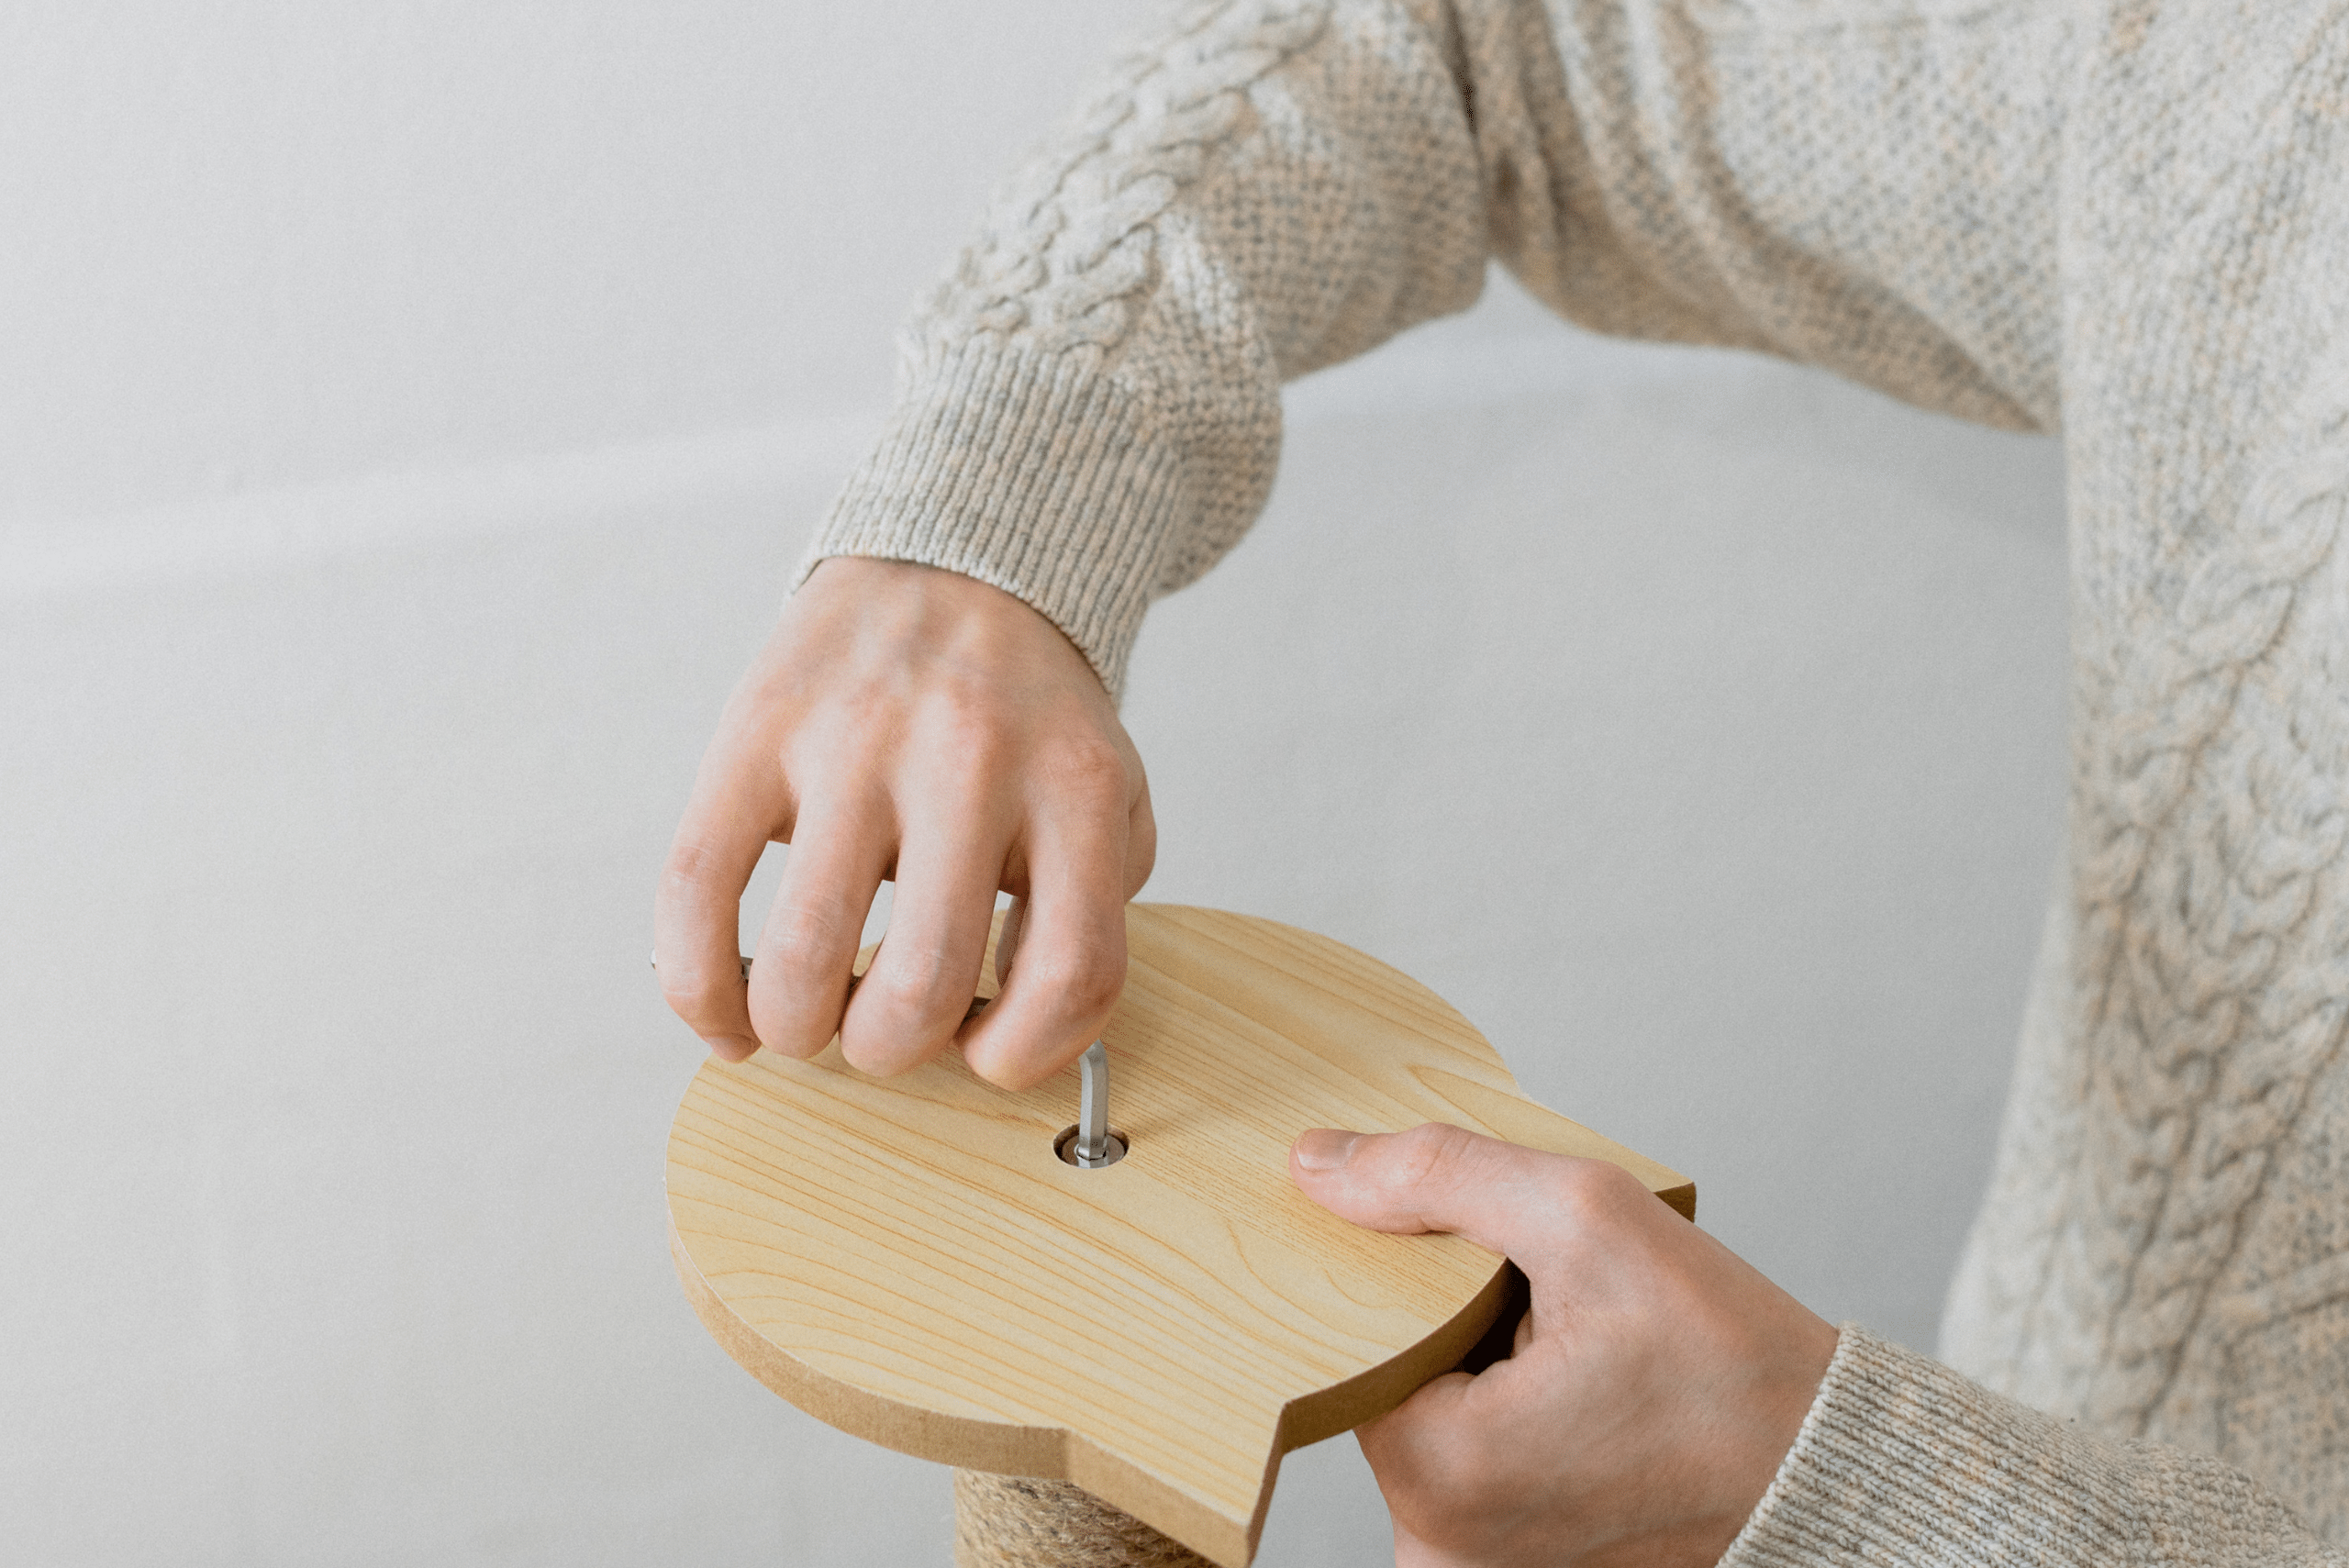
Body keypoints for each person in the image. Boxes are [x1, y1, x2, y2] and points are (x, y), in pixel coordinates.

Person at [654, 0, 2349, 1562]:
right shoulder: (2265, 86)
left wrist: (1855, 1504)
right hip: (2062, 1366)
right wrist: (997, 505)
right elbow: (1486, 45)